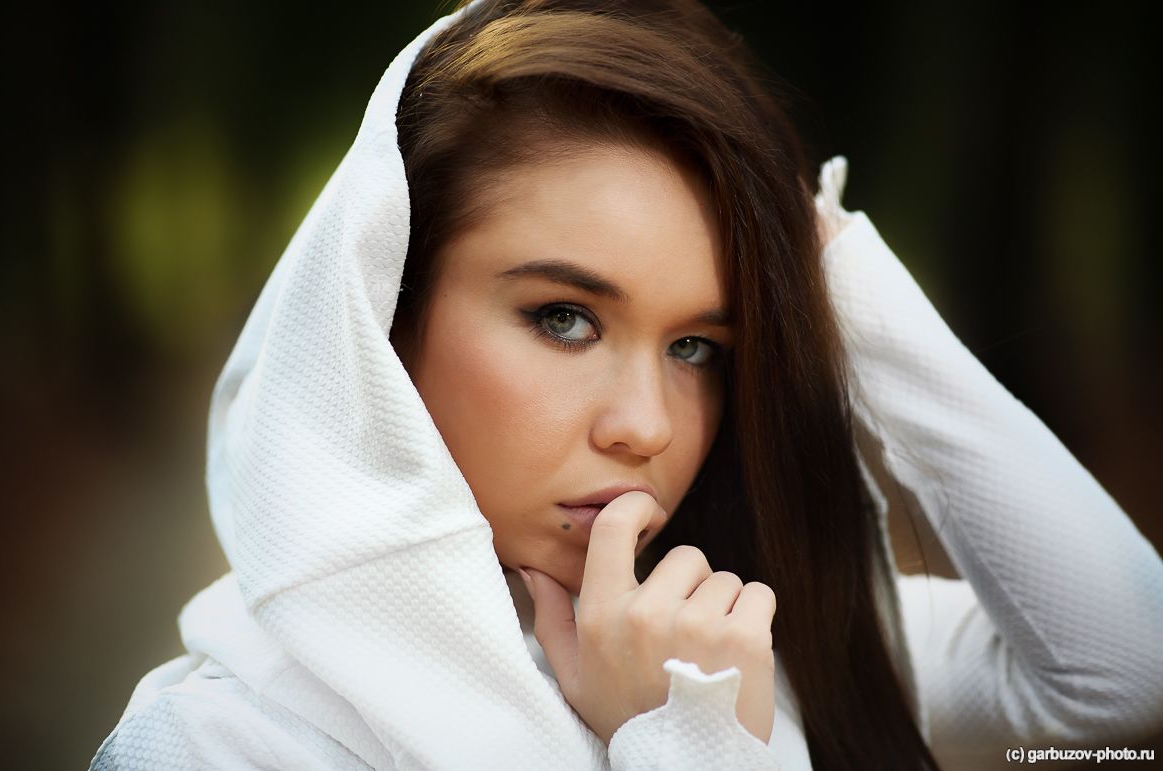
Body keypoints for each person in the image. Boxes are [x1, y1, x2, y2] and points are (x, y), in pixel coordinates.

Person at [89, 1, 1163, 769]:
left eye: (698, 347)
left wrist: (826, 258)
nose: (647, 427)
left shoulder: (739, 639)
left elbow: (1126, 673)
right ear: (383, 313)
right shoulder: (218, 744)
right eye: (564, 318)